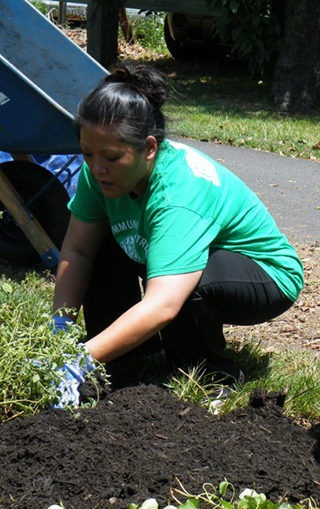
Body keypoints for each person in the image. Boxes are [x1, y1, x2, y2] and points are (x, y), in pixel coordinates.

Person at [50, 64, 304, 406]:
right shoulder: (99, 171)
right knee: (99, 246)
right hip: (176, 254)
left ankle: (210, 377)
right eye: (88, 154)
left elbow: (164, 304)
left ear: (149, 148)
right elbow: (78, 251)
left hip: (263, 274)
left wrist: (80, 358)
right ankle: (124, 358)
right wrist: (59, 333)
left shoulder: (177, 196)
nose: (97, 168)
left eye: (111, 157)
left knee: (191, 289)